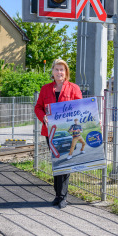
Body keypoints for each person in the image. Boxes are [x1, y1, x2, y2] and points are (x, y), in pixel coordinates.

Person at [34, 59, 82, 209]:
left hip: (68, 133)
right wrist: (43, 117)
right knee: (56, 162)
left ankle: (63, 197)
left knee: (65, 162)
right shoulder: (45, 89)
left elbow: (81, 108)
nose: (59, 72)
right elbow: (38, 107)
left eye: (62, 70)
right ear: (52, 72)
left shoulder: (74, 88)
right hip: (51, 132)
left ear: (66, 72)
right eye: (56, 69)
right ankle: (58, 194)